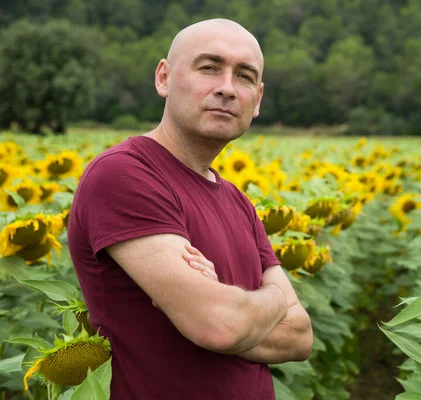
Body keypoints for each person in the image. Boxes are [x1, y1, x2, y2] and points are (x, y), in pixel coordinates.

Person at [67, 19, 313, 400]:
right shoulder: (124, 173)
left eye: (244, 77)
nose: (227, 89)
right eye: (209, 67)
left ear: (258, 99)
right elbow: (218, 325)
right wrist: (275, 300)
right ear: (164, 78)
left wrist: (228, 310)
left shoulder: (237, 200)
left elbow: (299, 337)